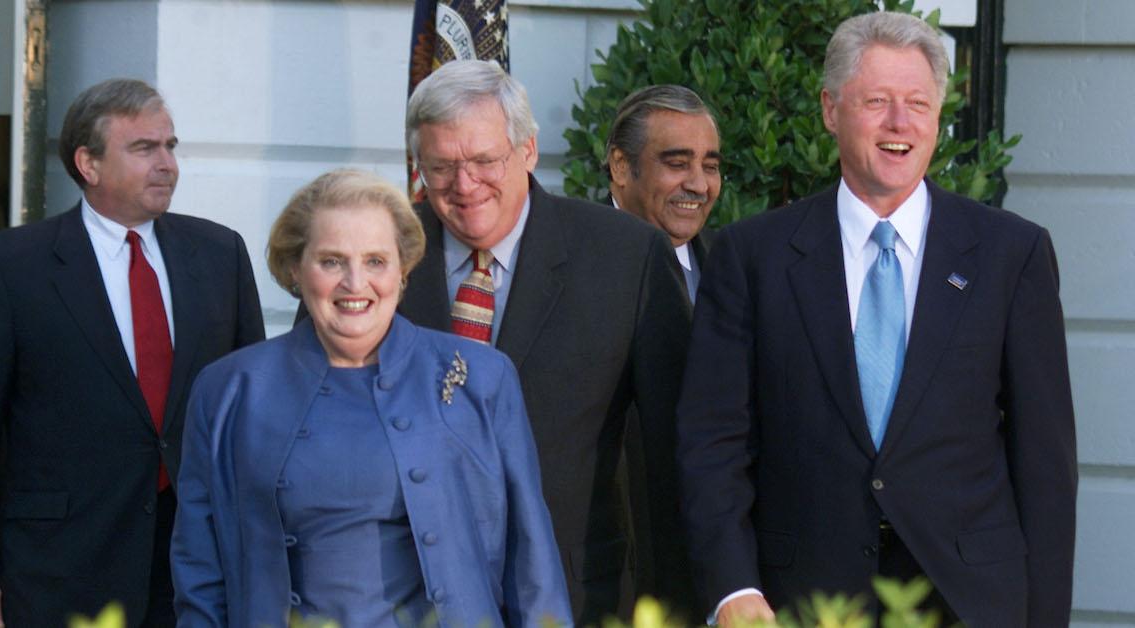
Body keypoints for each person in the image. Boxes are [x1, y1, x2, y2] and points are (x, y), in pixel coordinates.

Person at [677, 11, 1076, 627]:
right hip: (801, 603)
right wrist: (733, 590)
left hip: (970, 603)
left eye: (918, 102)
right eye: (878, 101)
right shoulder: (752, 257)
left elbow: (1045, 467)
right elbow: (712, 446)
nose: (900, 124)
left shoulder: (1009, 255)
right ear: (831, 109)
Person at [172, 169, 571, 628]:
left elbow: (532, 565)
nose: (355, 283)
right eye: (332, 261)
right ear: (295, 270)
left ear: (403, 271)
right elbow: (200, 578)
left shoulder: (480, 378)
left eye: (376, 261)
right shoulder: (229, 391)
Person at [0, 78, 265, 627]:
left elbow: (251, 412)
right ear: (88, 164)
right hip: (56, 567)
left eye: (170, 147)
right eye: (144, 149)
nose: (167, 164)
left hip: (195, 563)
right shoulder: (14, 266)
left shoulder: (219, 253)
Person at [395, 60, 692, 623]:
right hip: (408, 595)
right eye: (441, 167)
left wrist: (677, 604)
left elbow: (674, 453)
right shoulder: (381, 257)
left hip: (576, 595)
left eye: (484, 161)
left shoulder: (627, 258)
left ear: (527, 150)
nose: (464, 185)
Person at [607, 84, 721, 304]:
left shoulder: (730, 261)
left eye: (710, 167)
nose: (699, 186)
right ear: (620, 165)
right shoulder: (569, 258)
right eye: (677, 164)